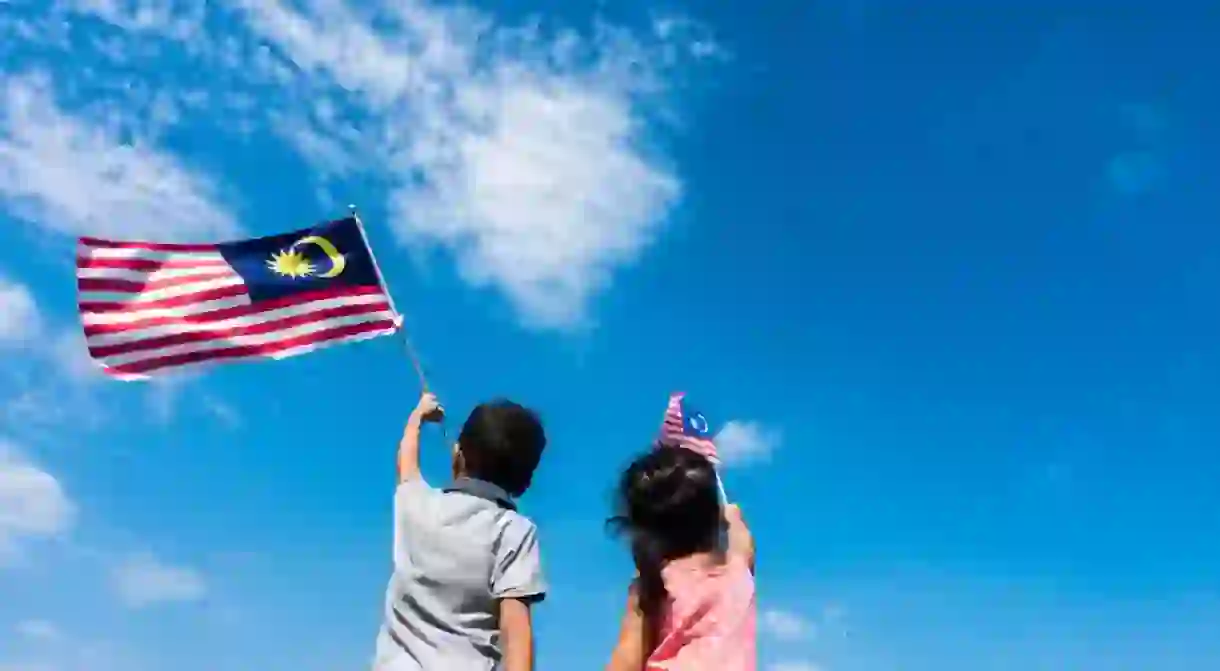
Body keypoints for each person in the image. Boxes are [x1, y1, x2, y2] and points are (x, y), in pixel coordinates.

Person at [373, 392, 548, 671]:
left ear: (457, 454)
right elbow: (516, 634)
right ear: (524, 482)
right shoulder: (513, 530)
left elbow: (406, 463)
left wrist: (417, 417)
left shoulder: (416, 505)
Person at [605, 445, 757, 671]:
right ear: (714, 517)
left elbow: (627, 660)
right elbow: (744, 543)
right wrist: (733, 515)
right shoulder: (737, 573)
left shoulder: (653, 584)